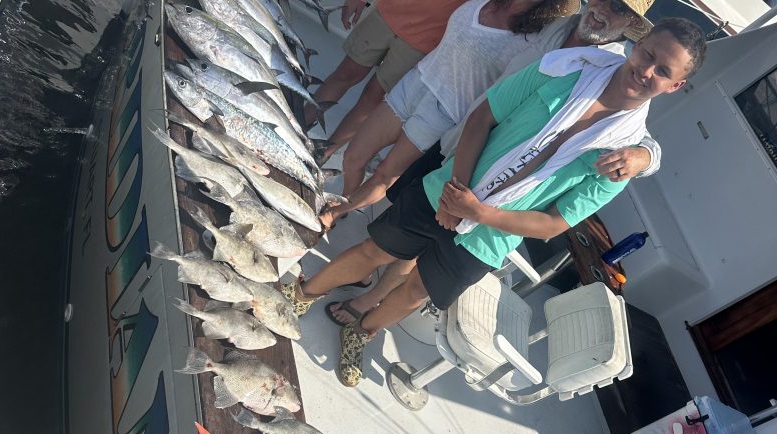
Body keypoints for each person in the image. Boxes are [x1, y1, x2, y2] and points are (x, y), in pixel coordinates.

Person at [284, 17, 707, 388]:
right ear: (638, 43)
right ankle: (303, 293)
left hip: (489, 239)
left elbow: (553, 224)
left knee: (416, 290)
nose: (646, 70)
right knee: (374, 250)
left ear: (676, 86)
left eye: (663, 70)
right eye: (648, 53)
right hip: (447, 188)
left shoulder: (623, 158)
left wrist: (479, 213)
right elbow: (483, 116)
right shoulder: (565, 70)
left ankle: (362, 330)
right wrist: (459, 191)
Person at [325, 0, 660, 327]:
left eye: (620, 9)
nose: (604, 9)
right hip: (459, 139)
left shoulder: (615, 67)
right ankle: (366, 275)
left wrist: (645, 157)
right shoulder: (553, 24)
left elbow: (638, 132)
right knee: (405, 222)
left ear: (632, 26)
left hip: (492, 182)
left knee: (419, 250)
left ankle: (369, 300)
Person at [323, 0, 580, 216]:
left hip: (445, 112)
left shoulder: (538, 38)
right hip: (417, 81)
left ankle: (334, 213)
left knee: (383, 174)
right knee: (353, 156)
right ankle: (344, 199)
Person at [305, 0, 468, 162]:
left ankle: (322, 154)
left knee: (373, 98)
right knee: (344, 75)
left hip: (427, 40)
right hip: (386, 13)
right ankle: (297, 126)